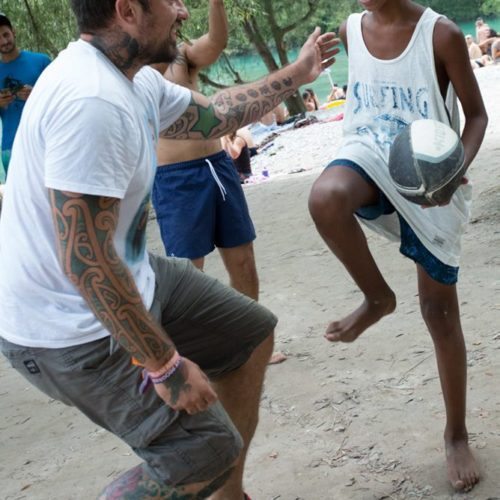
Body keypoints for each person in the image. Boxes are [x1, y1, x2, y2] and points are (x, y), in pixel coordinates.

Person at [0, 0, 338, 498]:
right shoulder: (91, 99)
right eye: (172, 1)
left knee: (250, 334)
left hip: (122, 275)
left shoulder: (132, 78)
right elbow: (84, 259)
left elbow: (216, 116)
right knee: (204, 453)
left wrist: (299, 72)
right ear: (127, 10)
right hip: (64, 327)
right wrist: (163, 364)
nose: (182, 11)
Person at [308, 0, 487, 493]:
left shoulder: (441, 35)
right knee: (326, 197)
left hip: (429, 175)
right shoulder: (349, 31)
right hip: (369, 154)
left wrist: (454, 170)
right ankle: (378, 298)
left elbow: (475, 117)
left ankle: (455, 433)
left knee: (439, 313)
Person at [153, 0, 286, 367]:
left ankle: (251, 344)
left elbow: (217, 42)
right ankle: (187, 356)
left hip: (217, 166)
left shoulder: (183, 56)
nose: (178, 13)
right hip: (174, 179)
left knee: (243, 262)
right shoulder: (134, 70)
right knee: (187, 274)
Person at [0, 14, 50, 176]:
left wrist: (37, 94)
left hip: (44, 142)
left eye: (5, 34)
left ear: (14, 32)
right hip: (10, 146)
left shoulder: (41, 62)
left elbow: (61, 100)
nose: (3, 41)